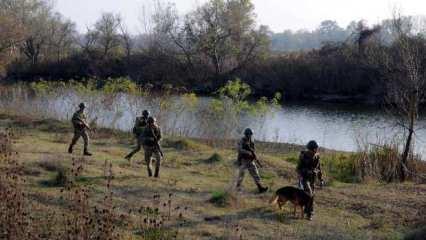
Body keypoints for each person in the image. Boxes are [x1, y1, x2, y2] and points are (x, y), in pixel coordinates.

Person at [296, 140, 324, 220]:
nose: (315, 151)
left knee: (311, 196)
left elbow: (319, 168)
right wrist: (306, 171)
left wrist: (321, 179)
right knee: (310, 194)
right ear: (310, 149)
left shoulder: (317, 156)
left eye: (316, 149)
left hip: (312, 179)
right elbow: (298, 169)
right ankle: (309, 213)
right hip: (304, 178)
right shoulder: (303, 156)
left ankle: (307, 210)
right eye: (314, 149)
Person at [235, 128, 268, 193]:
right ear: (246, 134)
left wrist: (254, 156)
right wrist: (248, 152)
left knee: (256, 174)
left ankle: (260, 188)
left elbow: (253, 151)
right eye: (248, 134)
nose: (249, 136)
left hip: (250, 160)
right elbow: (239, 150)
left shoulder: (251, 141)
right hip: (243, 160)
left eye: (250, 134)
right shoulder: (241, 141)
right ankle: (237, 188)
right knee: (241, 175)